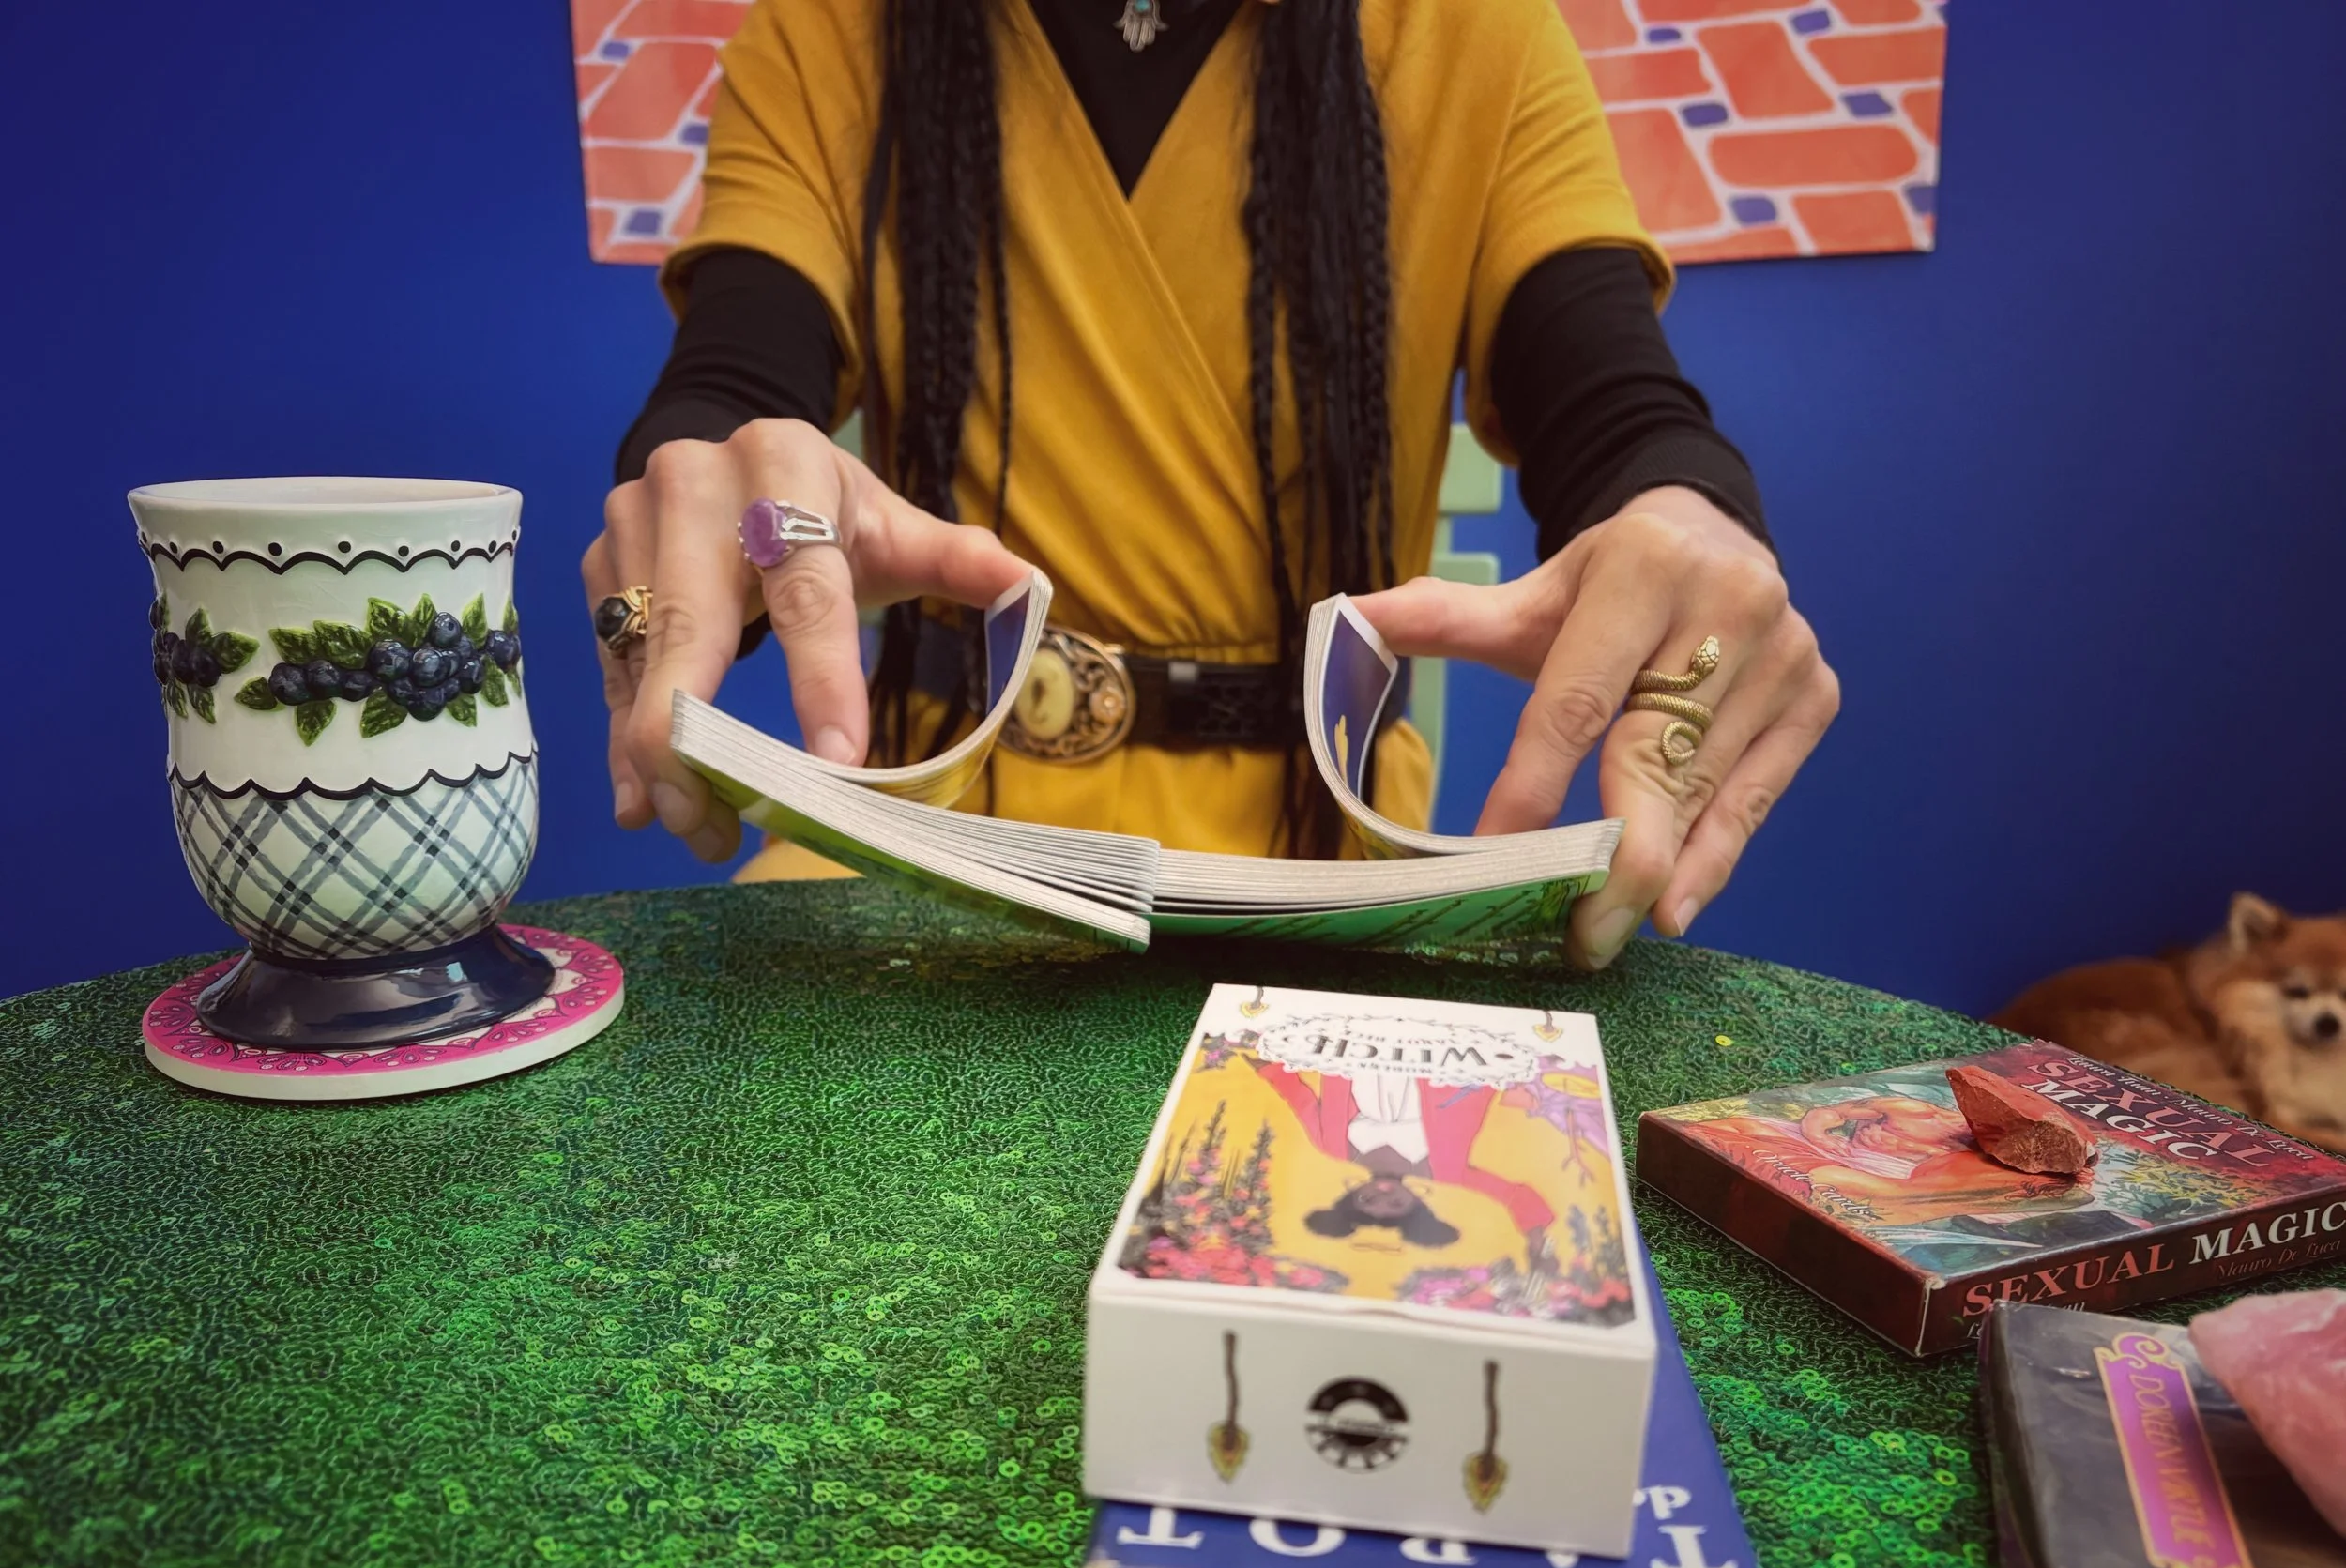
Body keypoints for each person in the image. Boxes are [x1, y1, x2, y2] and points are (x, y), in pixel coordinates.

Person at [586, 0, 1838, 968]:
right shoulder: (835, 30)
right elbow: (740, 370)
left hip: (1314, 877)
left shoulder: (1471, 31)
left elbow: (1616, 410)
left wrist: (1688, 520)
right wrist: (715, 477)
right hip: (935, 851)